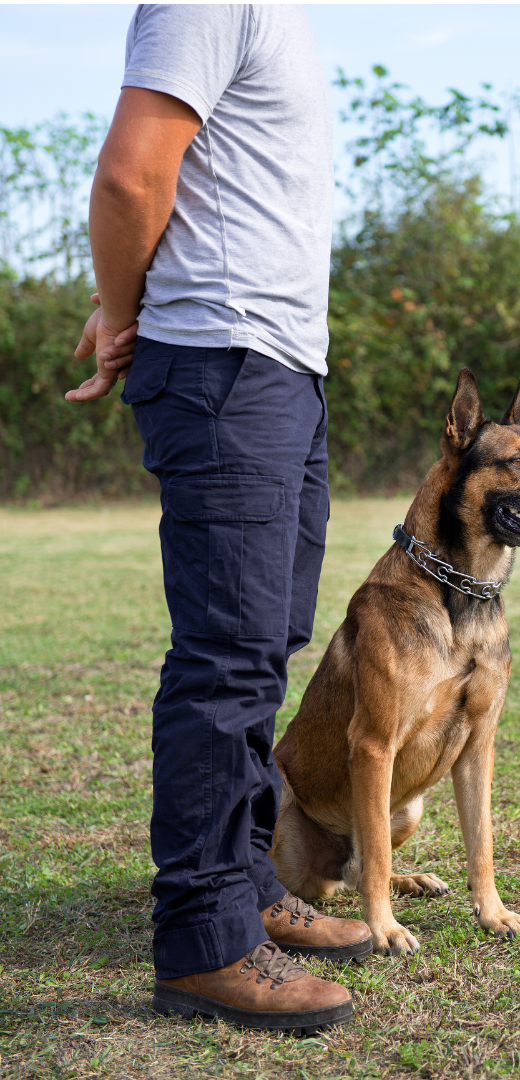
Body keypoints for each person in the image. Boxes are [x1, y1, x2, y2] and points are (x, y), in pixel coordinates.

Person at [65, 4, 371, 1033]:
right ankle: (204, 943)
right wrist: (123, 310)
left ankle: (245, 883)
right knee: (227, 656)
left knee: (269, 638)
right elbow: (130, 176)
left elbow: (210, 189)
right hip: (226, 360)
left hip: (279, 364)